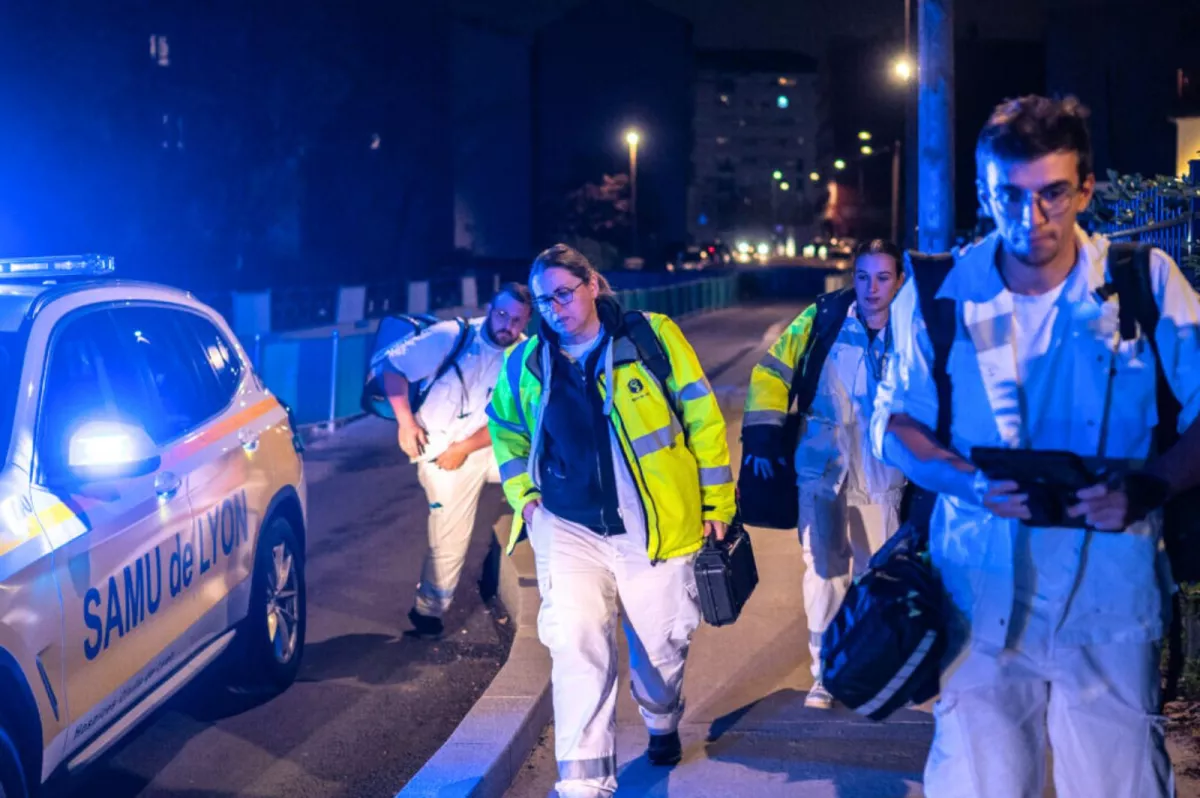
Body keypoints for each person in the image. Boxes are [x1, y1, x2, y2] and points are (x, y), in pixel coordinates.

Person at [871, 95, 1200, 797]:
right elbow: (895, 425)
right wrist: (967, 482)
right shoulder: (936, 294)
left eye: (1052, 192)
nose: (1032, 216)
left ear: (1085, 188)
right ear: (983, 190)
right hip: (977, 599)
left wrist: (1147, 487)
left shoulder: (1145, 282)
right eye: (1010, 196)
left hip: (1111, 600)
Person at [488, 244, 736, 798]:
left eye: (563, 293)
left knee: (662, 649)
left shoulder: (651, 337)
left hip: (653, 529)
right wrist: (526, 500)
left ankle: (661, 717)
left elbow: (703, 419)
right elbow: (505, 430)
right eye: (543, 300)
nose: (554, 308)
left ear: (593, 285)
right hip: (568, 528)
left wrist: (717, 504)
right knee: (577, 648)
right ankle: (585, 785)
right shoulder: (526, 362)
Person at [742, 239, 908, 709]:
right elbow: (772, 371)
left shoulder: (913, 328)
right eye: (863, 276)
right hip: (822, 469)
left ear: (899, 281)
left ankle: (872, 667)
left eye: (882, 278)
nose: (871, 288)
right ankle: (827, 673)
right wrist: (763, 437)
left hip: (884, 473)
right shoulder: (824, 316)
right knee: (824, 572)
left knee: (879, 574)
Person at [384, 283, 533, 640]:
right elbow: (392, 369)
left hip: (484, 446)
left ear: (527, 321)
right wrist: (406, 422)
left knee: (550, 467)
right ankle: (428, 613)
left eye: (516, 320)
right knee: (451, 532)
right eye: (502, 314)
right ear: (490, 308)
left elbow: (511, 419)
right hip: (441, 450)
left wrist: (465, 447)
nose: (507, 325)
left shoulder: (524, 355)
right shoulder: (451, 336)